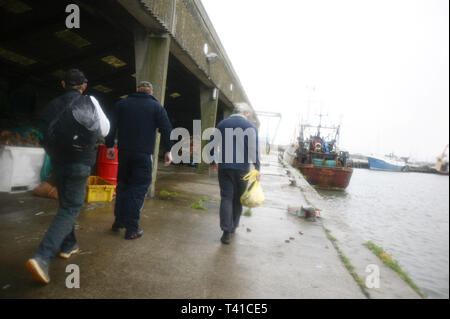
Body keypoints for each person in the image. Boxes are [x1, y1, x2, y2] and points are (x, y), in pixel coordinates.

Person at [26, 69, 110, 284]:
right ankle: (42, 256)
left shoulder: (52, 105)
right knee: (71, 207)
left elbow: (46, 133)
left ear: (63, 84)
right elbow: (105, 129)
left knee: (66, 205)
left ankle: (68, 245)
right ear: (84, 86)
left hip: (58, 163)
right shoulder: (90, 101)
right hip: (80, 163)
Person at [105, 81, 173, 240]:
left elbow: (111, 125)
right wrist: (168, 150)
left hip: (124, 153)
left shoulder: (122, 104)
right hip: (143, 154)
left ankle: (118, 221)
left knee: (122, 186)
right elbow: (167, 129)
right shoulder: (157, 107)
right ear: (150, 92)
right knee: (138, 188)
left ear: (137, 90)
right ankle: (132, 229)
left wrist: (109, 145)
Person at [211, 102, 260, 244]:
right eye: (248, 114)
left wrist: (213, 161)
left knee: (226, 197)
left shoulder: (222, 124)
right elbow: (254, 150)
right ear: (245, 113)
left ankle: (226, 232)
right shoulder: (250, 127)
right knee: (238, 198)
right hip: (242, 169)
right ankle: (233, 226)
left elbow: (212, 144)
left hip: (225, 167)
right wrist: (257, 168)